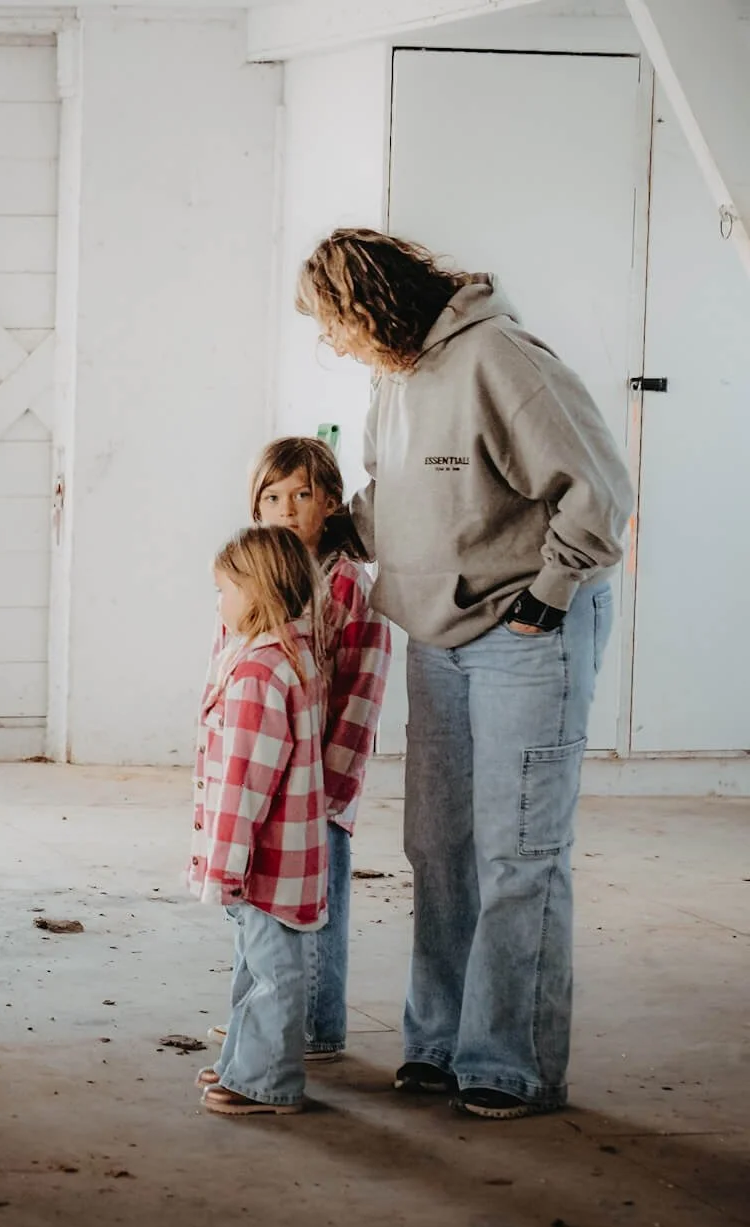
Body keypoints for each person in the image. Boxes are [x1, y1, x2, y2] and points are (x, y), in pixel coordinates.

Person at [296, 228, 634, 1118]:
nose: (335, 344)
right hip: (438, 634)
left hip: (529, 626)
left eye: (337, 323)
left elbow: (599, 488)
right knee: (439, 846)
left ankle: (507, 1061)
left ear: (372, 304)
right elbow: (399, 497)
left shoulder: (500, 358)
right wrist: (330, 532)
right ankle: (439, 1041)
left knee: (519, 849)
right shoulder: (395, 375)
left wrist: (551, 595)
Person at [248, 437, 392, 1062]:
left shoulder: (348, 585)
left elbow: (363, 684)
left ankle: (317, 1030)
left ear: (331, 503)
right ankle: (268, 1021)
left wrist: (333, 785)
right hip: (268, 770)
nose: (287, 508)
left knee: (320, 905)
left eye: (302, 495)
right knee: (261, 902)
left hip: (321, 780)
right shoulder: (255, 576)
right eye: (273, 496)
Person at [191, 526, 328, 1117]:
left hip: (265, 859)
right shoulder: (287, 656)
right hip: (282, 855)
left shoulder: (258, 676)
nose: (218, 603)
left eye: (224, 590)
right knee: (254, 966)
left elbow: (246, 784)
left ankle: (270, 1081)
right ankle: (244, 1062)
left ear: (257, 592)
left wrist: (224, 865)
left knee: (271, 973)